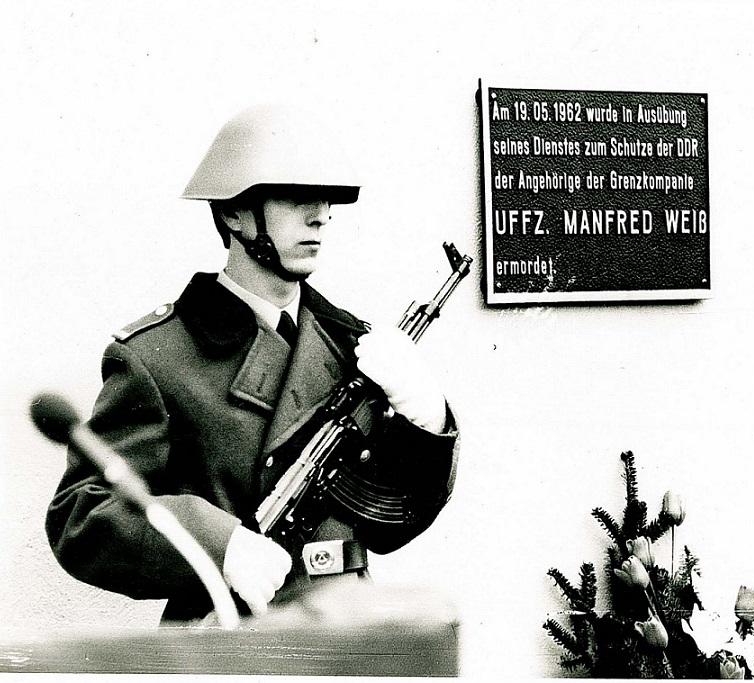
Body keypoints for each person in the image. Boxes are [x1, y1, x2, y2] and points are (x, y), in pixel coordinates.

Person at [45, 105, 459, 623]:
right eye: (295, 198)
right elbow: (82, 514)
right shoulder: (156, 355)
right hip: (230, 633)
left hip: (349, 629)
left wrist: (428, 420)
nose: (320, 216)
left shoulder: (351, 346)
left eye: (326, 201)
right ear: (234, 214)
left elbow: (390, 525)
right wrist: (220, 544)